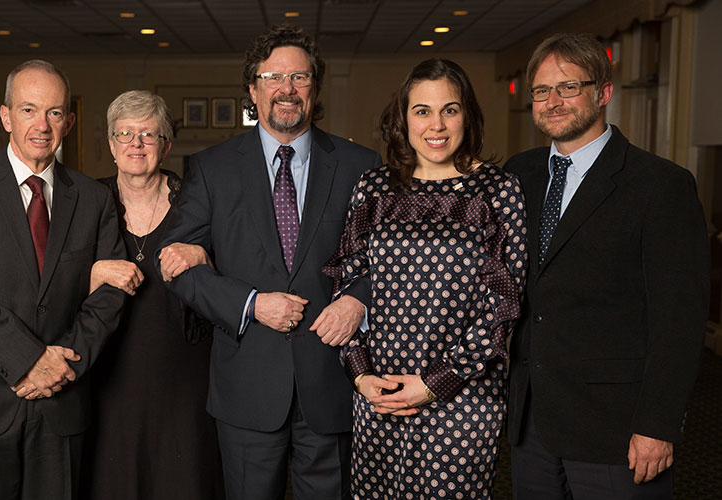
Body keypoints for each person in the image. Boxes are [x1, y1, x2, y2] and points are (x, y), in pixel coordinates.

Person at [158, 25, 382, 500]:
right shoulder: (211, 168)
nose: (287, 88)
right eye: (274, 76)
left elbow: (386, 258)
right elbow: (179, 267)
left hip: (331, 381)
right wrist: (251, 303)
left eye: (299, 77)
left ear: (314, 87)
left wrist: (359, 302)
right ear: (253, 88)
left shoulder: (360, 165)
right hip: (247, 387)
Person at [506, 33, 708, 499]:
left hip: (617, 428)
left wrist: (658, 424)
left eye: (569, 87)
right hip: (531, 421)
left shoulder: (661, 186)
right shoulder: (520, 174)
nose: (553, 101)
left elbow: (679, 319)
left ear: (604, 92)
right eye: (541, 91)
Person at [324, 58, 527, 499]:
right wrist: (360, 376)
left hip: (463, 400)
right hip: (380, 395)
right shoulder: (373, 187)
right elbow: (348, 286)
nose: (436, 124)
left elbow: (504, 306)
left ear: (467, 116)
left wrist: (435, 384)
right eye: (422, 111)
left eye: (450, 110)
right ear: (404, 118)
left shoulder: (498, 191)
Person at [0, 59, 127, 499]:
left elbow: (108, 295)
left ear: (69, 122)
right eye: (29, 110)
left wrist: (62, 366)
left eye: (54, 112)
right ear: (6, 116)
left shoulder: (92, 198)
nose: (42, 125)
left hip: (61, 401)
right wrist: (30, 360)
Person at [79, 90, 223, 500]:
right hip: (109, 375)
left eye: (148, 134)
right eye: (124, 134)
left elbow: (234, 276)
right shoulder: (86, 202)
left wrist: (203, 255)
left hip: (185, 377)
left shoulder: (198, 204)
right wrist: (92, 272)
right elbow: (49, 281)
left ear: (167, 145)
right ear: (110, 145)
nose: (136, 144)